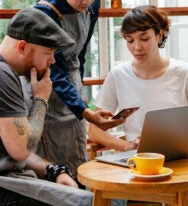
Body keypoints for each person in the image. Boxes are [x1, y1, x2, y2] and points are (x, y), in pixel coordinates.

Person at [20, 0, 137, 185]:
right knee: (52, 169)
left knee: (77, 160)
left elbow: (80, 56)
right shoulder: (46, 12)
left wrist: (80, 98)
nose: (86, 2)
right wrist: (86, 111)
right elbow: (55, 71)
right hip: (46, 85)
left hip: (72, 88)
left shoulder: (92, 6)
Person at [0, 8, 93, 206]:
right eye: (48, 53)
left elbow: (11, 149)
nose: (52, 61)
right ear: (22, 47)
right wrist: (41, 98)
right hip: (6, 188)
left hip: (12, 180)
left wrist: (54, 170)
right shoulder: (3, 76)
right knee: (93, 202)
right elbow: (21, 149)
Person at [89, 5, 188, 146]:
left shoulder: (184, 72)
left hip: (176, 155)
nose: (137, 47)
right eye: (130, 40)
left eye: (144, 39)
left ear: (159, 35)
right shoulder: (118, 75)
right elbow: (94, 130)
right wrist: (127, 147)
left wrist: (167, 143)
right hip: (136, 159)